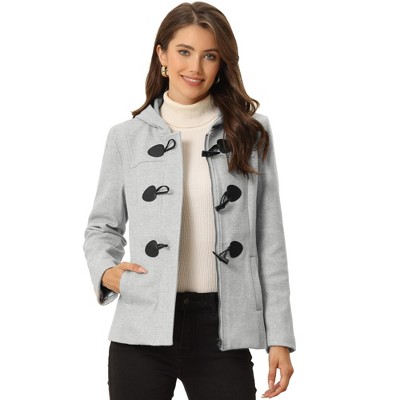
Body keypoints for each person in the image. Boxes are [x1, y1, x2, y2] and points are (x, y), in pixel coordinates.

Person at [83, 2, 296, 399]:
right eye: (184, 51)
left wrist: (279, 337)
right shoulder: (126, 137)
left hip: (223, 329)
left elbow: (270, 241)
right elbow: (101, 227)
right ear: (162, 55)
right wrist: (106, 273)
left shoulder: (251, 134)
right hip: (141, 327)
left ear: (222, 63)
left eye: (209, 55)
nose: (196, 67)